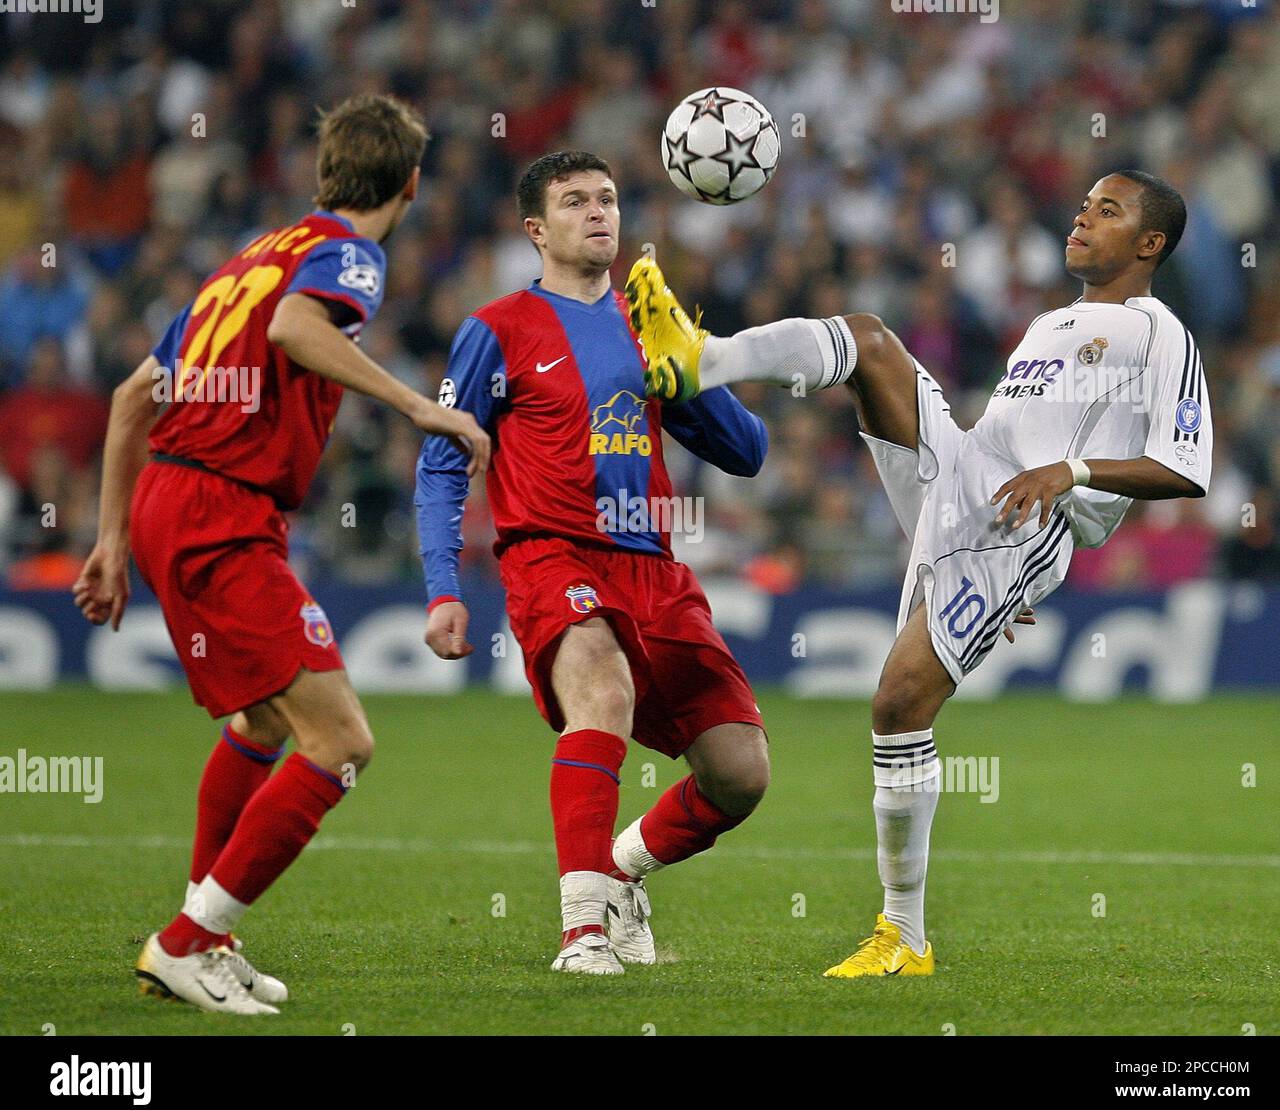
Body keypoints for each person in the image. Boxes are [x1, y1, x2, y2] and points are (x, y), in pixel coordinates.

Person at [629, 169, 1211, 977]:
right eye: (1083, 204)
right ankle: (699, 357)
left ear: (1150, 243)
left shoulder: (1159, 333)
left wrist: (1063, 483)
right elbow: (1011, 435)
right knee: (868, 339)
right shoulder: (1053, 322)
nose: (1082, 217)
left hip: (1021, 519)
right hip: (967, 476)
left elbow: (1184, 468)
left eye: (1107, 212)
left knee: (898, 701)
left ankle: (903, 934)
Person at [73, 94, 490, 1014]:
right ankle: (184, 942)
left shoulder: (250, 260)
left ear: (324, 172)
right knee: (341, 739)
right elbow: (296, 331)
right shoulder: (350, 255)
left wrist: (110, 538)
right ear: (411, 183)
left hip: (174, 501)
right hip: (219, 507)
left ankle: (207, 932)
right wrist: (421, 405)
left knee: (266, 725)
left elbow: (128, 398)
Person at [416, 151, 770, 975]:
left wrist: (691, 366)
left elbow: (746, 452)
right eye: (574, 202)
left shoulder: (650, 323)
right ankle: (582, 930)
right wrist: (442, 588)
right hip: (551, 553)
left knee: (740, 775)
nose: (597, 212)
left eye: (607, 198)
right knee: (601, 693)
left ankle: (623, 870)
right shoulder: (496, 329)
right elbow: (441, 463)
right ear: (535, 229)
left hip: (653, 564)